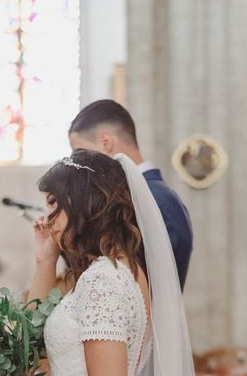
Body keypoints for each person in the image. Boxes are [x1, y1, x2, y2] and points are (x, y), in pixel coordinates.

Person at [27, 149, 194, 376]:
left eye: (54, 202)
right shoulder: (125, 269)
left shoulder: (101, 280)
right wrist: (46, 258)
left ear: (83, 200)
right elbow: (29, 337)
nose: (47, 219)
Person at [68, 100, 193, 290]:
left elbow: (160, 287)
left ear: (106, 142)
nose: (81, 164)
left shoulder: (160, 200)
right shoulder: (134, 195)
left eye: (81, 152)